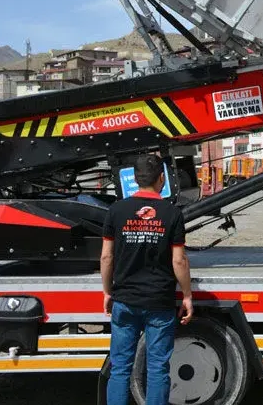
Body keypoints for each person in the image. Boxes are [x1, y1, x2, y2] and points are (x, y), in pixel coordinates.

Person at [100, 154, 194, 405]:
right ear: (161, 178)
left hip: (125, 301)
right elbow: (179, 261)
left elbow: (107, 257)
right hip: (159, 303)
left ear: (134, 178)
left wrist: (107, 291)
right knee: (157, 369)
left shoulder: (116, 211)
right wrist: (187, 295)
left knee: (120, 368)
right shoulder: (172, 213)